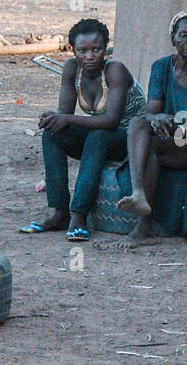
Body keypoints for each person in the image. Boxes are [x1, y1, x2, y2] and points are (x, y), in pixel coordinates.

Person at [21, 18, 145, 242]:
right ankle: (60, 212)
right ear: (73, 50)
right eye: (82, 50)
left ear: (105, 48)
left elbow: (111, 122)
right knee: (52, 134)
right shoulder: (71, 69)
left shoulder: (114, 70)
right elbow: (65, 113)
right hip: (103, 136)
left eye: (96, 49)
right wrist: (55, 117)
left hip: (132, 141)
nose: (89, 56)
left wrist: (66, 117)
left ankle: (79, 215)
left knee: (98, 136)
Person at [116, 10, 187, 246]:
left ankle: (143, 226)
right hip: (168, 140)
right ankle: (138, 195)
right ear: (173, 39)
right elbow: (150, 111)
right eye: (184, 34)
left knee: (151, 146)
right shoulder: (161, 67)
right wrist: (157, 119)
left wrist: (172, 121)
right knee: (139, 124)